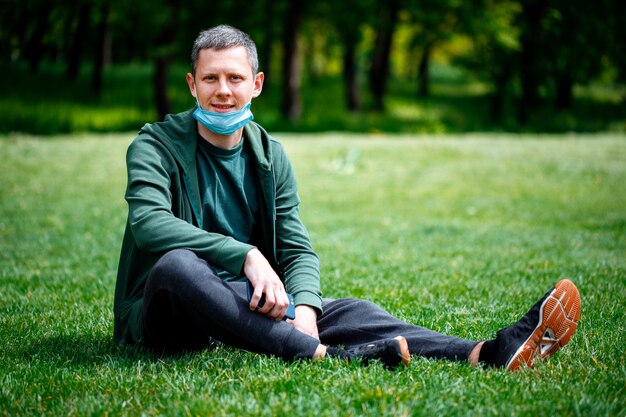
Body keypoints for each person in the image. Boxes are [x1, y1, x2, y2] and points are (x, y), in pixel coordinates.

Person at [113, 25, 581, 370]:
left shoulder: (269, 155)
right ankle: (330, 357)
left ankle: (484, 353)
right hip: (170, 312)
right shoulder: (154, 145)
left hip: (244, 301)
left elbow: (297, 248)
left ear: (255, 85)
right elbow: (150, 225)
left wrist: (308, 311)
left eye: (234, 79)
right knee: (177, 264)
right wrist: (247, 256)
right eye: (210, 79)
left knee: (351, 309)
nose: (222, 92)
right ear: (192, 84)